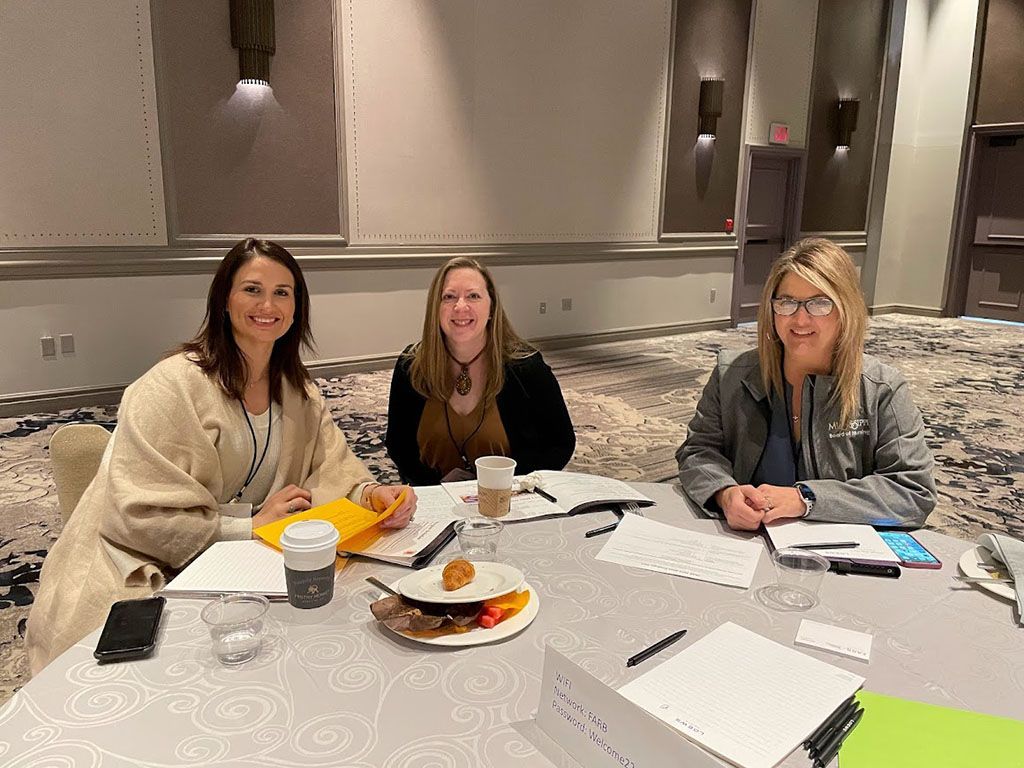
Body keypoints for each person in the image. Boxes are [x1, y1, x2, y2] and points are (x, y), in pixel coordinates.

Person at [26, 238, 416, 673]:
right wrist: (247, 526)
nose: (267, 304)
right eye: (252, 289)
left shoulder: (298, 390)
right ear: (224, 300)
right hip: (134, 563)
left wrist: (370, 493)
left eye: (282, 292)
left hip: (242, 563)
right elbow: (140, 517)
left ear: (296, 308)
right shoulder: (171, 387)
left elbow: (330, 465)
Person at [676, 238, 936, 531]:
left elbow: (913, 492)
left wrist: (806, 499)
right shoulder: (732, 375)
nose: (800, 318)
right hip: (742, 542)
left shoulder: (882, 389)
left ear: (845, 309)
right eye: (787, 302)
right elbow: (698, 451)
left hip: (838, 554)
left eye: (820, 303)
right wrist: (724, 494)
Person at [386, 257, 575, 485]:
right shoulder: (412, 366)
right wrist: (435, 483)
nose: (460, 306)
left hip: (509, 499)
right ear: (435, 307)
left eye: (473, 296)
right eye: (449, 297)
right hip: (434, 498)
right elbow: (398, 444)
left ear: (492, 307)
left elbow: (561, 443)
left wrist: (503, 480)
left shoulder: (526, 367)